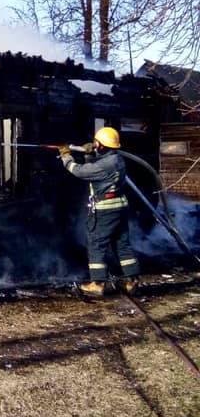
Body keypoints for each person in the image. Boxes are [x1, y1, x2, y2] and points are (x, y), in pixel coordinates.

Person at [58, 127, 140, 300]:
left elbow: (80, 171)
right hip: (120, 207)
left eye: (97, 143)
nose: (95, 144)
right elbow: (95, 167)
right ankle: (131, 281)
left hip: (105, 209)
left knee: (97, 243)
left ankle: (97, 284)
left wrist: (66, 156)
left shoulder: (105, 165)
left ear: (102, 146)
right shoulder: (117, 159)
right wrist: (89, 154)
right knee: (122, 243)